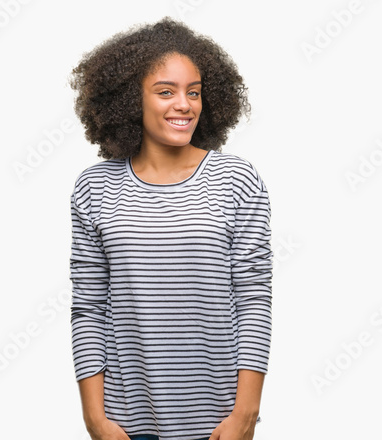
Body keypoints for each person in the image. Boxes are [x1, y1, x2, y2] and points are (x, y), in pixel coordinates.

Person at [68, 16, 274, 440]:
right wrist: (95, 420)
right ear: (130, 100)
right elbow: (88, 307)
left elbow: (253, 296)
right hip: (126, 423)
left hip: (219, 421)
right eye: (166, 92)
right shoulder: (95, 187)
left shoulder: (237, 179)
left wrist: (245, 413)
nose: (184, 104)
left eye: (194, 92)